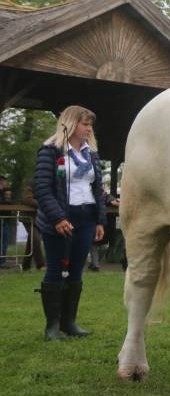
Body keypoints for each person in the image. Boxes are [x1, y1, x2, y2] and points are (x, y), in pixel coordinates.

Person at [33, 105, 107, 340]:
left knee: (76, 270)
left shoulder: (91, 154)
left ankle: (69, 323)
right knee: (56, 269)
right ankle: (52, 327)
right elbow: (42, 188)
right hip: (60, 218)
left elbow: (98, 190)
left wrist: (99, 220)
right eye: (85, 124)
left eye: (90, 125)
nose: (89, 129)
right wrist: (57, 218)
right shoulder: (51, 150)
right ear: (72, 123)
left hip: (86, 218)